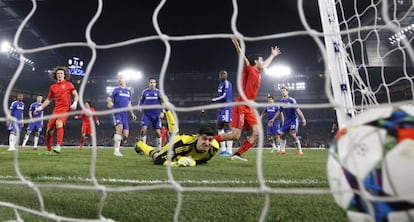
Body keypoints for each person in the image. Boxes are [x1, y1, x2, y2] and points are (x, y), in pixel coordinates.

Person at [214, 36, 281, 161]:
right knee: (235, 135)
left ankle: (237, 155)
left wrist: (272, 55)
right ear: (255, 62)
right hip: (240, 105)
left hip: (249, 107)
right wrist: (236, 45)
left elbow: (266, 64)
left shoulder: (258, 72)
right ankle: (211, 141)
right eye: (261, 61)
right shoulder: (249, 69)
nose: (263, 63)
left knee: (256, 133)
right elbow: (243, 57)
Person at [135, 109, 219, 167]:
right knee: (157, 155)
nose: (207, 143)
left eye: (210, 140)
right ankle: (139, 143)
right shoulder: (182, 145)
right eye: (204, 139)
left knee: (175, 131)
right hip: (176, 143)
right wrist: (175, 164)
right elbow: (158, 160)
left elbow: (202, 160)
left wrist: (192, 162)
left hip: (183, 145)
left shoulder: (214, 148)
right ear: (198, 137)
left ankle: (167, 110)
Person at [34, 66, 79, 155]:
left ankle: (58, 145)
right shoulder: (53, 87)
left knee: (59, 123)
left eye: (61, 73)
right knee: (49, 130)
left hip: (65, 108)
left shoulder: (68, 84)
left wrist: (75, 103)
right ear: (55, 75)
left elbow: (75, 94)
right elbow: (48, 100)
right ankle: (48, 150)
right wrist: (40, 108)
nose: (60, 75)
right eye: (58, 73)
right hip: (56, 109)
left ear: (64, 75)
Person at [106, 73, 137, 156]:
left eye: (121, 78)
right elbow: (108, 99)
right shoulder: (115, 89)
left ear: (125, 79)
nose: (119, 79)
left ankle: (117, 137)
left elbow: (129, 104)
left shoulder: (128, 91)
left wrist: (132, 113)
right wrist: (110, 103)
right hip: (116, 113)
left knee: (126, 135)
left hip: (124, 115)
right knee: (120, 128)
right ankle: (116, 151)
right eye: (118, 78)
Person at [210, 70, 233, 157]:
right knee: (219, 126)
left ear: (226, 76)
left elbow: (224, 96)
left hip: (227, 107)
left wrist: (213, 100)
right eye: (221, 74)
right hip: (221, 108)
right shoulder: (220, 84)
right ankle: (223, 149)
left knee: (228, 127)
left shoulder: (227, 83)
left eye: (224, 74)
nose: (222, 76)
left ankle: (229, 150)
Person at [278, 86, 307, 156]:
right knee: (282, 135)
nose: (283, 92)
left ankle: (300, 151)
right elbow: (280, 111)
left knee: (292, 133)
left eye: (284, 90)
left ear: (287, 92)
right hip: (286, 121)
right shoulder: (281, 102)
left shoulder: (291, 100)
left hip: (293, 119)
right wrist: (273, 119)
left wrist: (303, 119)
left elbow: (297, 109)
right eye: (281, 91)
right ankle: (282, 150)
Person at [137, 77, 164, 150]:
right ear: (148, 83)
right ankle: (142, 148)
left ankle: (159, 149)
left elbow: (162, 103)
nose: (152, 84)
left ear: (156, 84)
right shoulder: (145, 92)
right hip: (146, 114)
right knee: (143, 130)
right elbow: (141, 100)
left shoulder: (158, 92)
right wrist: (139, 106)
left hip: (156, 115)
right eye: (151, 82)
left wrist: (162, 112)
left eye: (153, 82)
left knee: (158, 132)